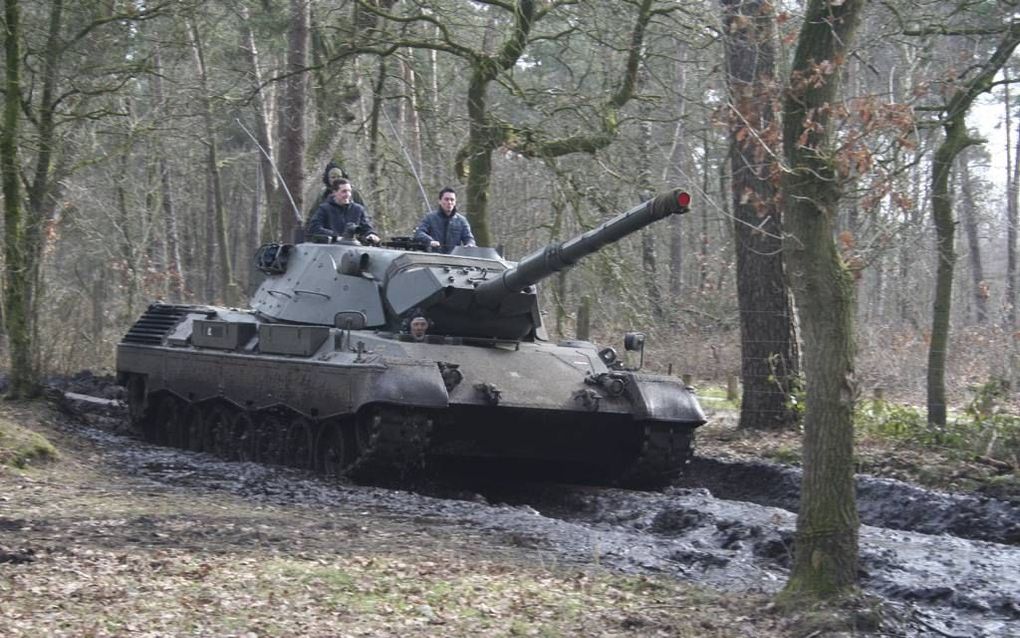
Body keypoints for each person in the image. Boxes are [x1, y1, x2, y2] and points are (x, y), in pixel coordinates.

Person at [307, 179, 380, 244]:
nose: (347, 195)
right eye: (344, 191)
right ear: (334, 192)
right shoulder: (324, 209)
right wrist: (336, 236)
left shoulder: (358, 209)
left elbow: (366, 228)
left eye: (349, 191)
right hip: (330, 249)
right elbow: (314, 228)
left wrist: (371, 235)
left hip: (354, 250)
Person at [413, 187, 476, 254]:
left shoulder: (461, 221)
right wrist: (430, 241)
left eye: (452, 200)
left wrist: (470, 244)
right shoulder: (430, 218)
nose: (449, 202)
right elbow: (419, 233)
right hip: (433, 258)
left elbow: (469, 238)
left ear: (455, 202)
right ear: (440, 201)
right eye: (446, 199)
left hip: (454, 259)